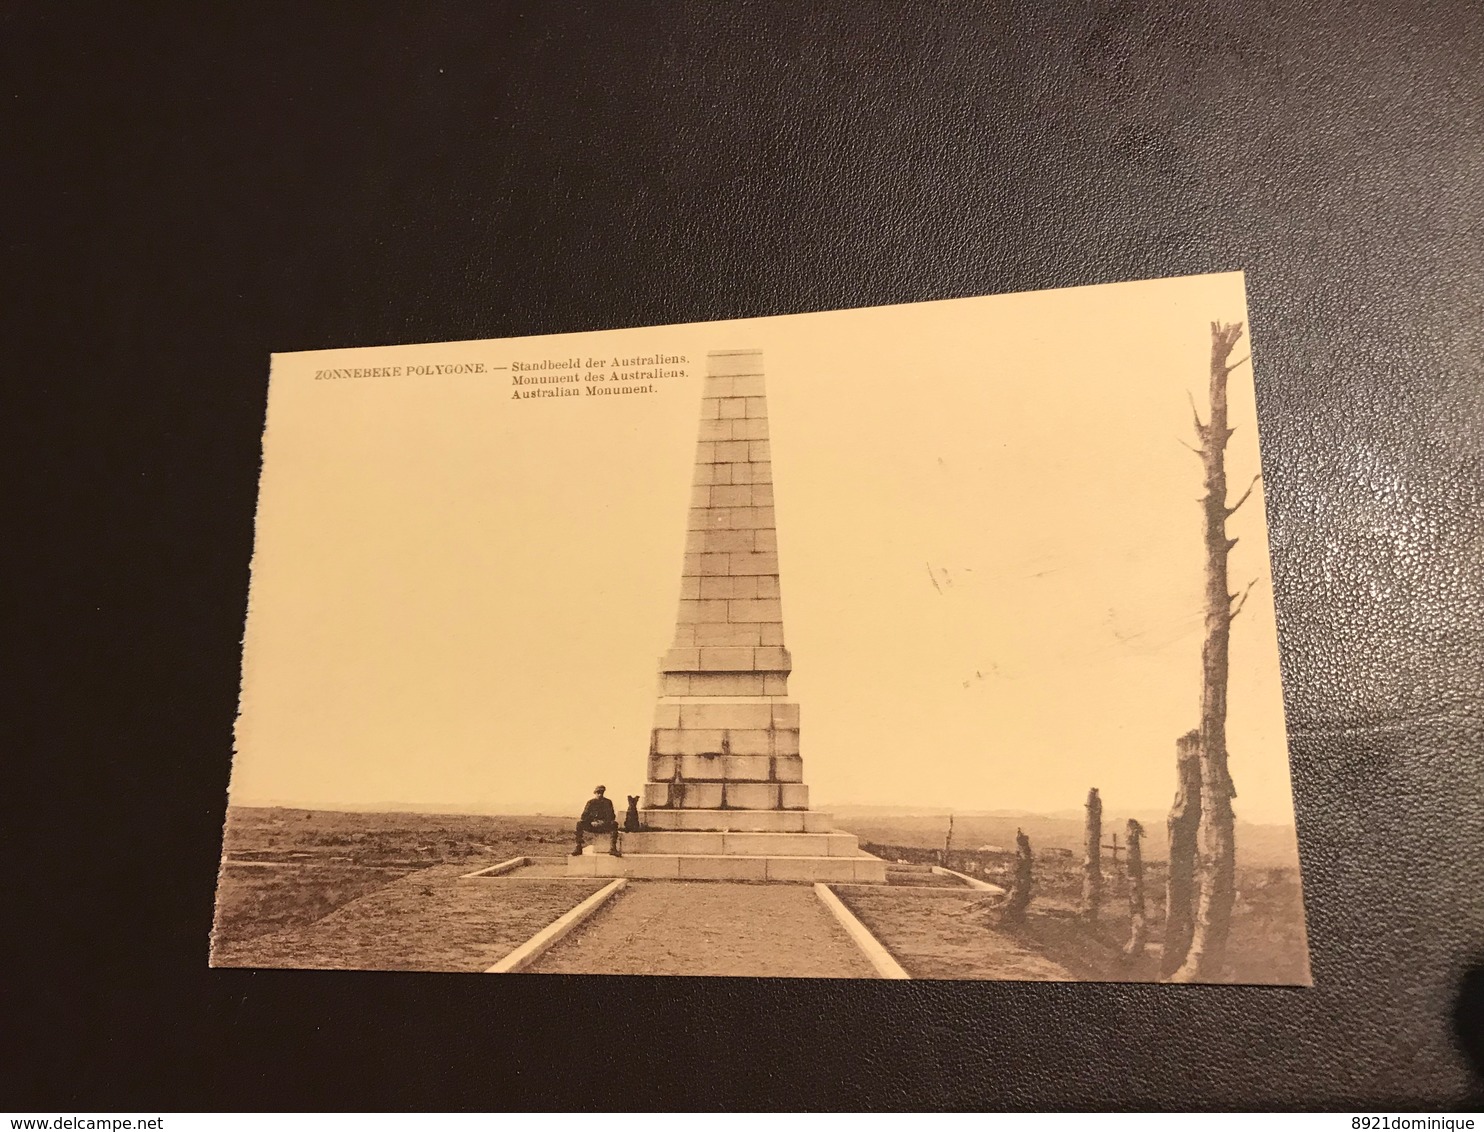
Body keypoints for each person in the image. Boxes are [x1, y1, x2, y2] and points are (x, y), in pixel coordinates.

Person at [573, 785, 621, 856]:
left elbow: (612, 816)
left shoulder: (608, 802)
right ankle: (578, 847)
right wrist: (592, 822)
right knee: (579, 824)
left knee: (614, 824)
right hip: (592, 825)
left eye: (601, 792)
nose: (600, 794)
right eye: (598, 792)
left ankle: (613, 848)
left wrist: (603, 822)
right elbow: (584, 816)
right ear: (595, 793)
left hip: (604, 826)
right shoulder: (590, 802)